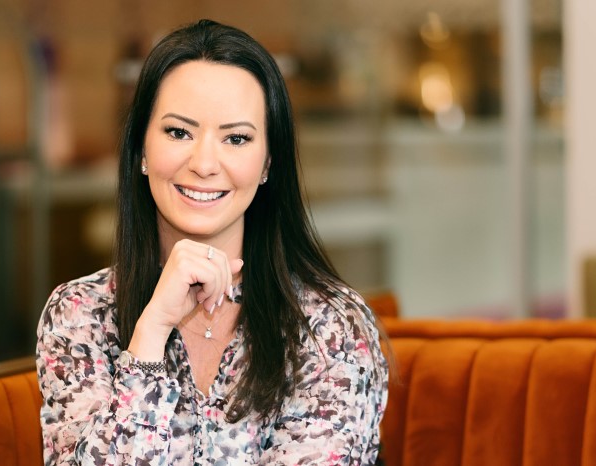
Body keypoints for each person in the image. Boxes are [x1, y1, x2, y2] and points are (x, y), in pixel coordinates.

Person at [36, 19, 388, 465]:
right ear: (141, 149)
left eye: (236, 138)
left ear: (267, 164)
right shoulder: (79, 316)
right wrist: (151, 333)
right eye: (178, 132)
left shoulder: (328, 327)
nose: (204, 163)